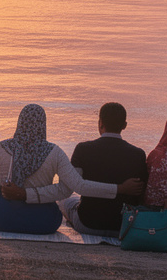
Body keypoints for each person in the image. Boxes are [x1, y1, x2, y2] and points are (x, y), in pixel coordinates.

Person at [0, 104, 123, 235]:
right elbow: (68, 189)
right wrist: (119, 188)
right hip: (43, 222)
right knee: (64, 203)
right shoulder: (54, 152)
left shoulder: (2, 147)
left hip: (4, 219)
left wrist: (20, 195)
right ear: (43, 124)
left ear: (20, 122)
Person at [60, 102, 147, 237]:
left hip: (87, 224)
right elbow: (140, 194)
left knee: (64, 199)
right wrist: (120, 189)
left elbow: (72, 185)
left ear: (100, 123)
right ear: (124, 126)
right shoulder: (139, 154)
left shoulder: (83, 149)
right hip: (123, 226)